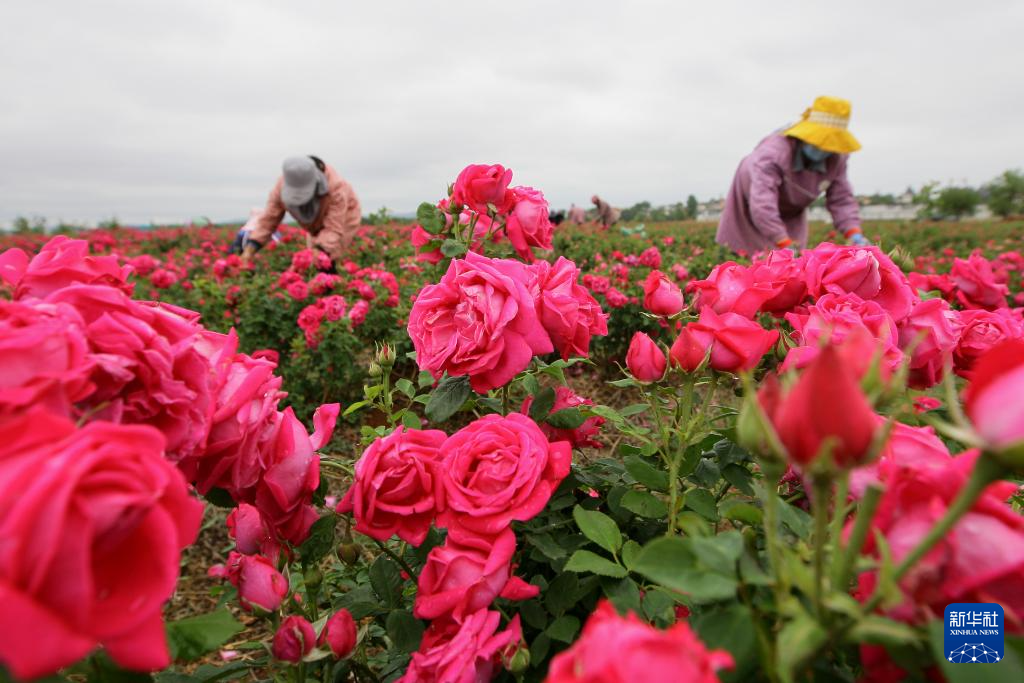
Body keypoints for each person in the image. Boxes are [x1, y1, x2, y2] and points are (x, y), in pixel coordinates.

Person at [716, 96, 867, 255]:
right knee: (744, 259)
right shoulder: (773, 153)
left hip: (791, 211)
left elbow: (841, 199)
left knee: (791, 263)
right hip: (750, 204)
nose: (823, 148)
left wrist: (853, 232)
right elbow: (762, 203)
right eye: (819, 142)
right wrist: (782, 241)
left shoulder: (836, 158)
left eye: (829, 144)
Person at [241, 156, 361, 265]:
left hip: (344, 218)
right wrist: (250, 249)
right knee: (311, 259)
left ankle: (333, 283)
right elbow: (269, 220)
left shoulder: (336, 188)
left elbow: (333, 228)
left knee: (326, 258)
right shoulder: (280, 187)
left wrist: (312, 256)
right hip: (313, 225)